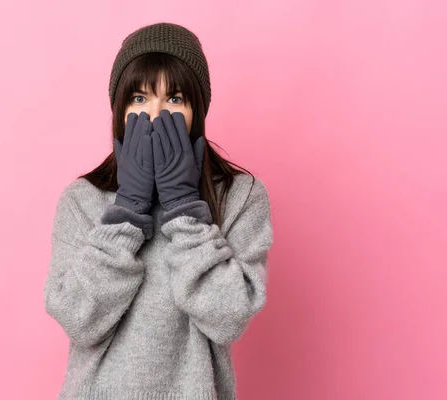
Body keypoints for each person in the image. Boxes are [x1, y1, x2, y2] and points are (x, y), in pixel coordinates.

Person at [43, 22, 274, 400]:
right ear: (118, 109)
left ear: (197, 110)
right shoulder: (82, 199)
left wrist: (184, 208)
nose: (154, 115)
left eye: (174, 98)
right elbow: (78, 319)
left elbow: (230, 317)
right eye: (139, 98)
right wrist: (128, 211)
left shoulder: (239, 196)